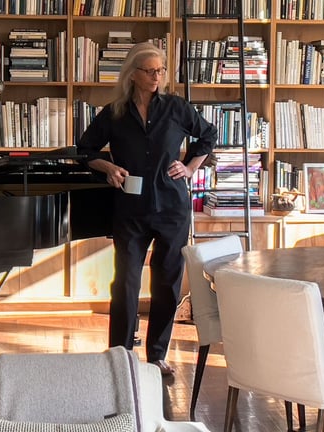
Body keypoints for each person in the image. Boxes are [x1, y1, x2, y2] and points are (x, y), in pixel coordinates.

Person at [76, 42, 218, 375]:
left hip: (172, 207)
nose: (157, 76)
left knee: (167, 282)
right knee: (125, 281)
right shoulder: (115, 113)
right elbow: (84, 150)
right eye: (150, 70)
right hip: (130, 207)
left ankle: (157, 355)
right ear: (133, 75)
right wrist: (108, 167)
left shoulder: (176, 108)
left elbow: (208, 135)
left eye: (161, 70)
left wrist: (191, 167)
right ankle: (120, 355)